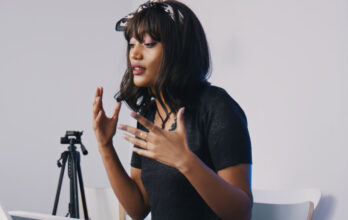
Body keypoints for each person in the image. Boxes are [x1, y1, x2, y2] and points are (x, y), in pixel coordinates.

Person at [92, 1, 252, 219]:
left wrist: (185, 161)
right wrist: (105, 145)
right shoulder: (149, 115)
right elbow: (138, 208)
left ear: (179, 49)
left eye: (148, 44)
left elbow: (241, 213)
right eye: (132, 44)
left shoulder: (217, 107)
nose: (135, 54)